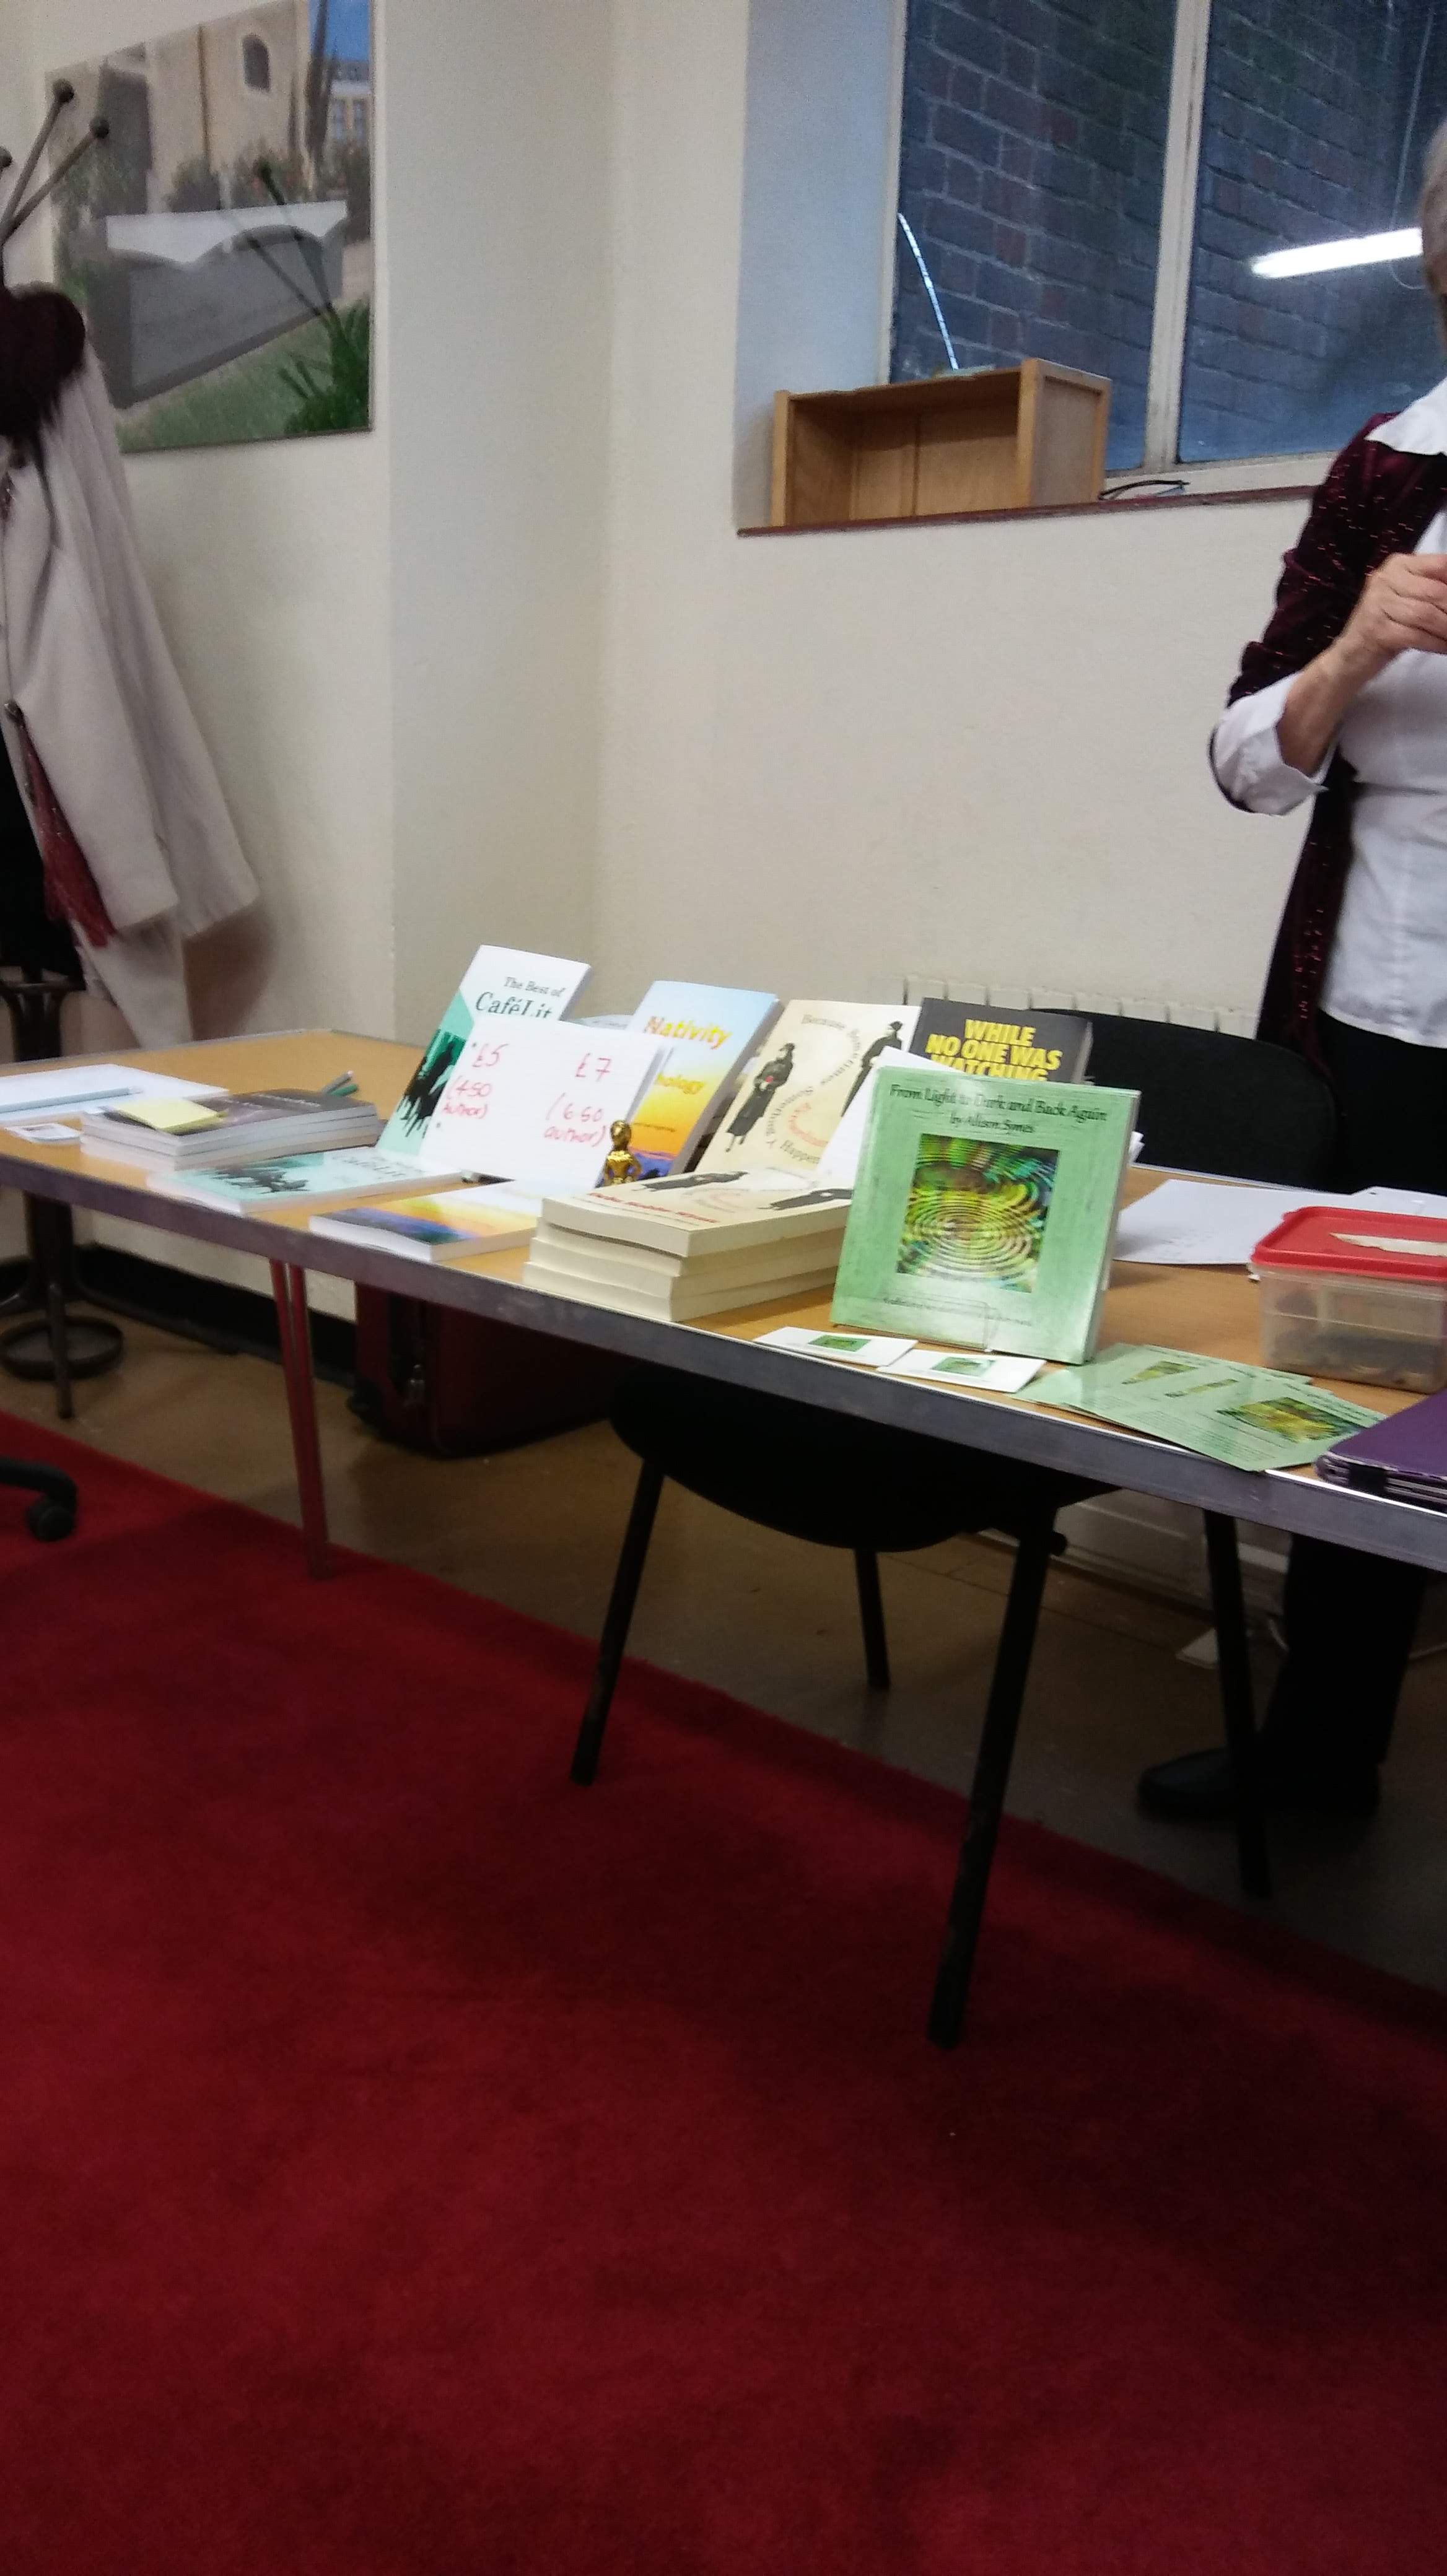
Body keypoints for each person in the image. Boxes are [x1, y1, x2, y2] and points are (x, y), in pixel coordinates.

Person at [1139, 125, 1447, 1828]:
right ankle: (1324, 1753)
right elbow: (1243, 756)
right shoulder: (1387, 473)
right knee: (1361, 1381)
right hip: (1387, 1009)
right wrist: (1356, 646)